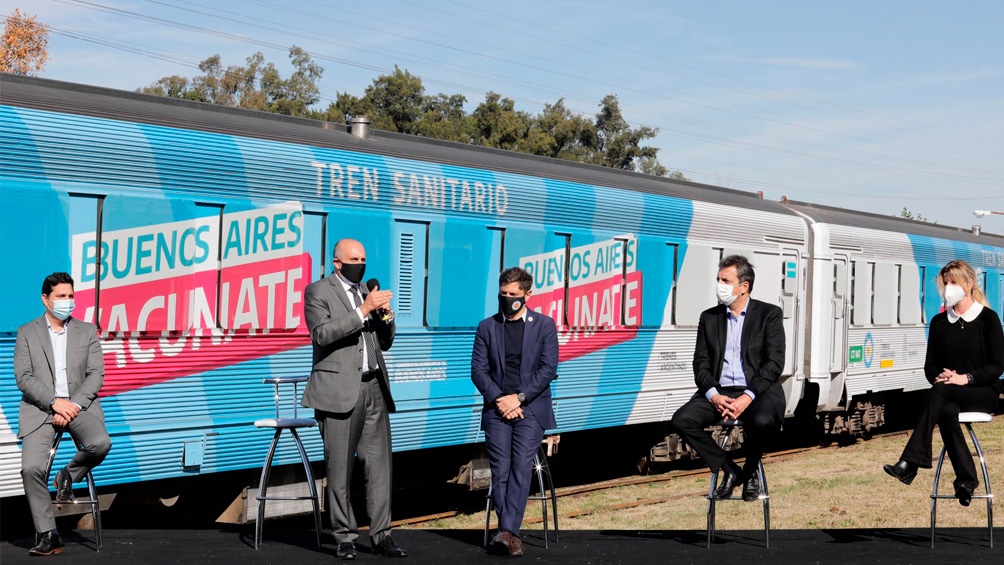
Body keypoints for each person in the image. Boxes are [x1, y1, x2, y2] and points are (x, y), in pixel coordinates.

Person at [301, 239, 407, 559]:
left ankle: (382, 536)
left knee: (379, 468)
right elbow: (322, 334)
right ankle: (345, 537)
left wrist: (386, 316)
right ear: (337, 262)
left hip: (374, 386)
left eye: (363, 258)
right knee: (340, 470)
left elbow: (384, 343)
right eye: (353, 259)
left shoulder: (366, 292)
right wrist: (364, 310)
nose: (360, 264)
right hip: (338, 391)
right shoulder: (318, 291)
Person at [884, 259, 1004, 505]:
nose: (948, 288)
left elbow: (997, 367)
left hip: (982, 391)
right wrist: (939, 376)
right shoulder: (939, 322)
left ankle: (911, 462)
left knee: (940, 392)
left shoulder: (988, 319)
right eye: (945, 283)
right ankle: (966, 482)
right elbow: (930, 366)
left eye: (953, 283)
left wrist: (965, 378)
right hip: (947, 392)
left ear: (969, 284)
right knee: (946, 409)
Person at [671, 255, 786, 502]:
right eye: (718, 279)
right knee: (682, 419)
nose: (719, 285)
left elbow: (774, 363)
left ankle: (751, 469)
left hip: (758, 392)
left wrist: (748, 396)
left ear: (744, 286)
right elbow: (700, 363)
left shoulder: (770, 314)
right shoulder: (709, 317)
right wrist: (713, 395)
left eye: (725, 280)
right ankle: (730, 470)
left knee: (764, 421)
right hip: (720, 391)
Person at [14, 272, 112, 556]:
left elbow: (96, 375)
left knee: (100, 443)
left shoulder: (87, 331)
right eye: (61, 296)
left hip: (79, 406)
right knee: (31, 468)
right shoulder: (27, 332)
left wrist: (73, 406)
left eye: (71, 296)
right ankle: (49, 534)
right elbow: (24, 377)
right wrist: (55, 403)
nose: (68, 302)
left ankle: (67, 475)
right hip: (41, 408)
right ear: (46, 299)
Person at [471, 267, 559, 557]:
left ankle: (506, 532)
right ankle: (511, 535)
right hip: (497, 410)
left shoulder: (544, 326)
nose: (507, 299)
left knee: (521, 464)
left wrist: (518, 399)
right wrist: (501, 400)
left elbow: (548, 370)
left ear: (527, 294)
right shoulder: (487, 327)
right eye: (503, 294)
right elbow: (478, 371)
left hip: (531, 409)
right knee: (500, 468)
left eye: (513, 295)